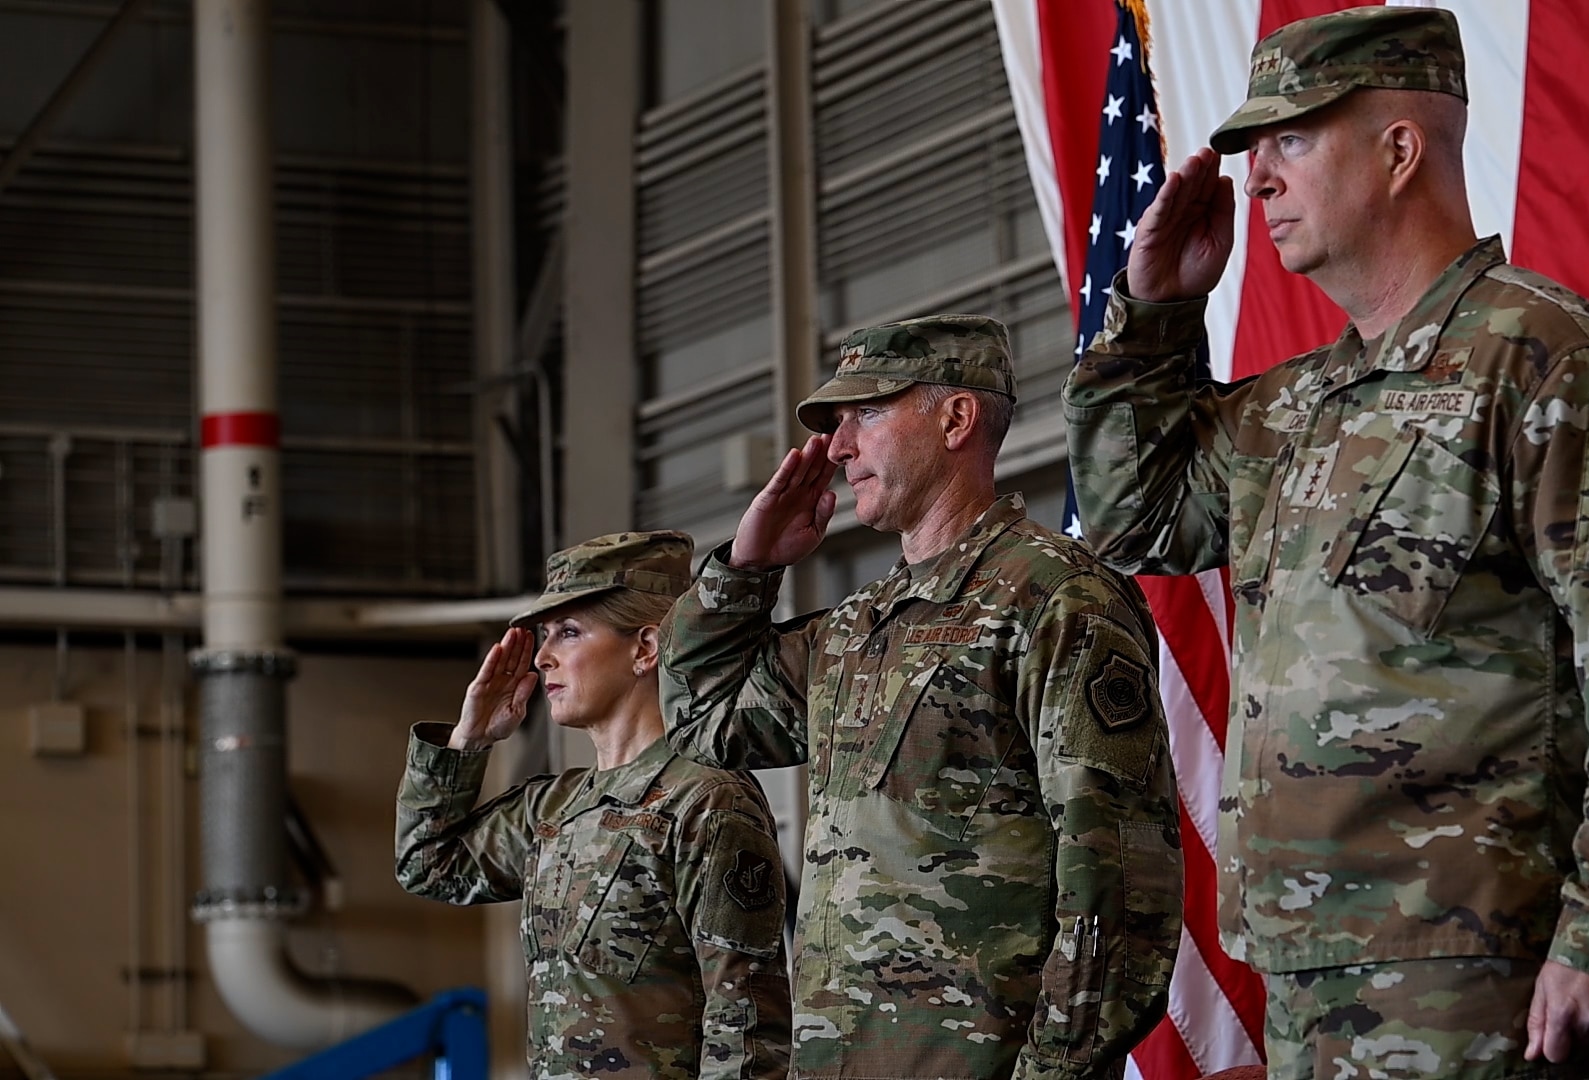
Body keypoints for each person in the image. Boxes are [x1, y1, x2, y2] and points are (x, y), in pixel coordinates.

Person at [1061, 8, 1589, 1079]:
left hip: (1476, 970)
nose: (1258, 179)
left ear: (1400, 149)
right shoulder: (1297, 408)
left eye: (1290, 140)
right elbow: (1138, 516)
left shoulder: (1547, 362)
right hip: (1307, 973)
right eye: (1253, 151)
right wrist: (1153, 320)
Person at [659, 314, 1182, 1080]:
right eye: (839, 424)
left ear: (956, 417)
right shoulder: (853, 630)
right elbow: (702, 720)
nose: (838, 448)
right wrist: (743, 570)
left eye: (866, 413)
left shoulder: (1054, 599)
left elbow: (1121, 886)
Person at [395, 531, 791, 1079]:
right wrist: (469, 743)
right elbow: (427, 866)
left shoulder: (706, 798)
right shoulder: (554, 808)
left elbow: (745, 1022)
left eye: (570, 632)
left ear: (645, 649)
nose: (543, 656)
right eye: (544, 634)